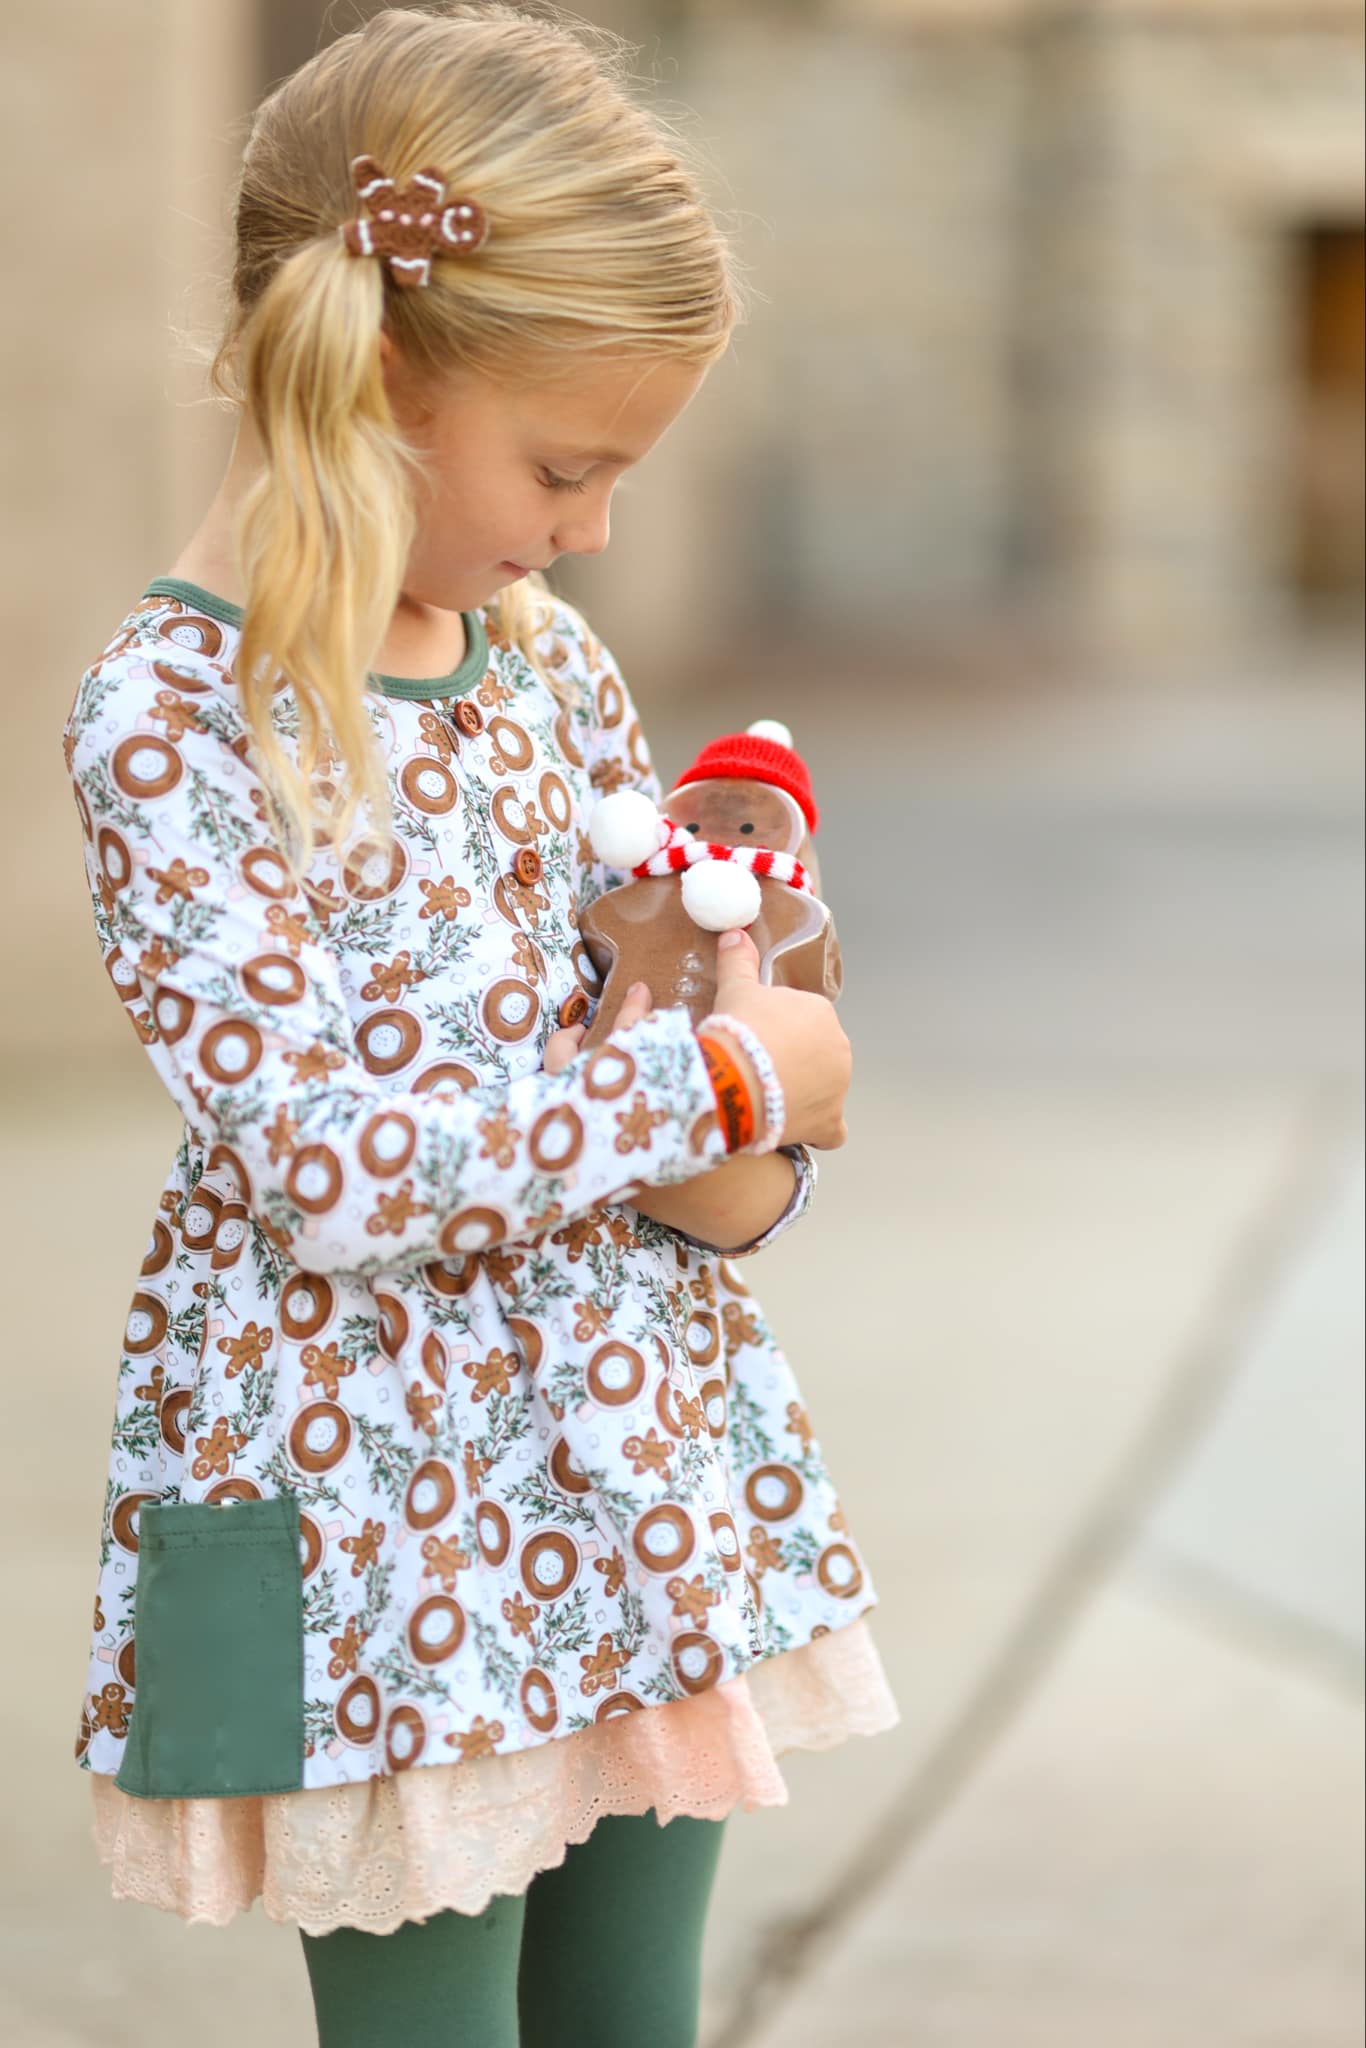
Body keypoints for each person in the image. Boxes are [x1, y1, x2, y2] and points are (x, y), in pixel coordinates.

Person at [62, 5, 900, 2042]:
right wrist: (709, 1073)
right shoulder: (175, 725)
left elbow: (640, 1129)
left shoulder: (541, 666)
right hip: (379, 1545)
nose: (592, 528)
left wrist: (747, 1097)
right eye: (561, 465)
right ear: (371, 379)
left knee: (631, 2016)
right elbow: (338, 1170)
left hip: (624, 1486)